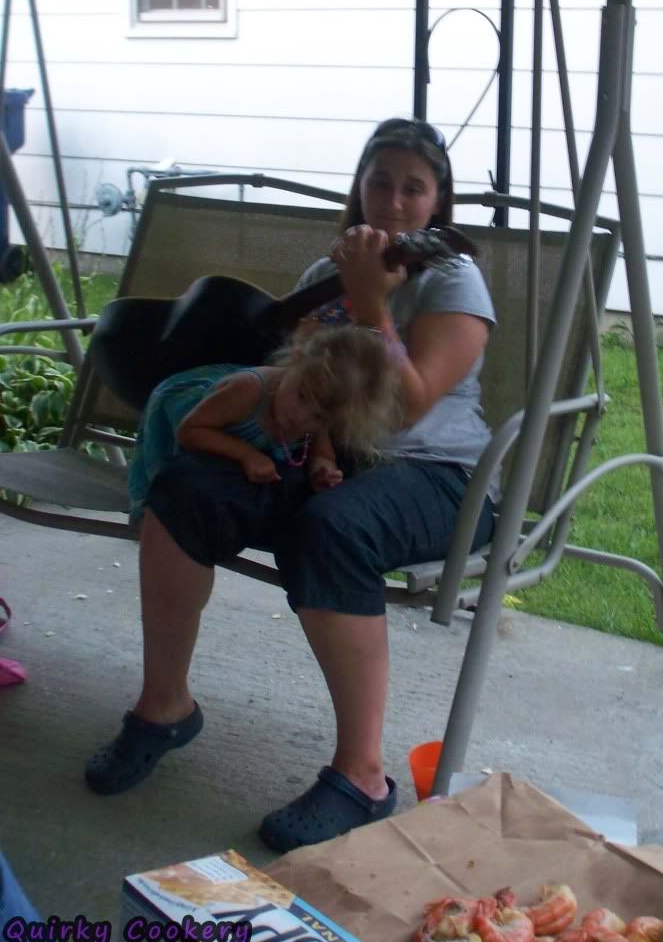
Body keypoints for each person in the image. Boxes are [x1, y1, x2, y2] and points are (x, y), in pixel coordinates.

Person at [84, 116, 500, 854]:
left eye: (414, 187)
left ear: (438, 201)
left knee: (331, 526)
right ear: (359, 187)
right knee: (187, 488)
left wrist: (373, 305)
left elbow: (406, 405)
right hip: (322, 457)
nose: (394, 201)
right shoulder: (320, 281)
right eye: (380, 181)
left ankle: (363, 777)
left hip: (437, 477)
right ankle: (164, 705)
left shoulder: (453, 277)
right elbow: (294, 388)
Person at [127, 324, 399, 523]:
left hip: (218, 423)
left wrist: (323, 468)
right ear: (295, 362)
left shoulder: (319, 407)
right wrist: (246, 454)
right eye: (301, 396)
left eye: (319, 417)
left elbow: (321, 448)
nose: (301, 417)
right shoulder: (248, 392)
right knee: (167, 495)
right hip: (193, 411)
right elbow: (190, 431)